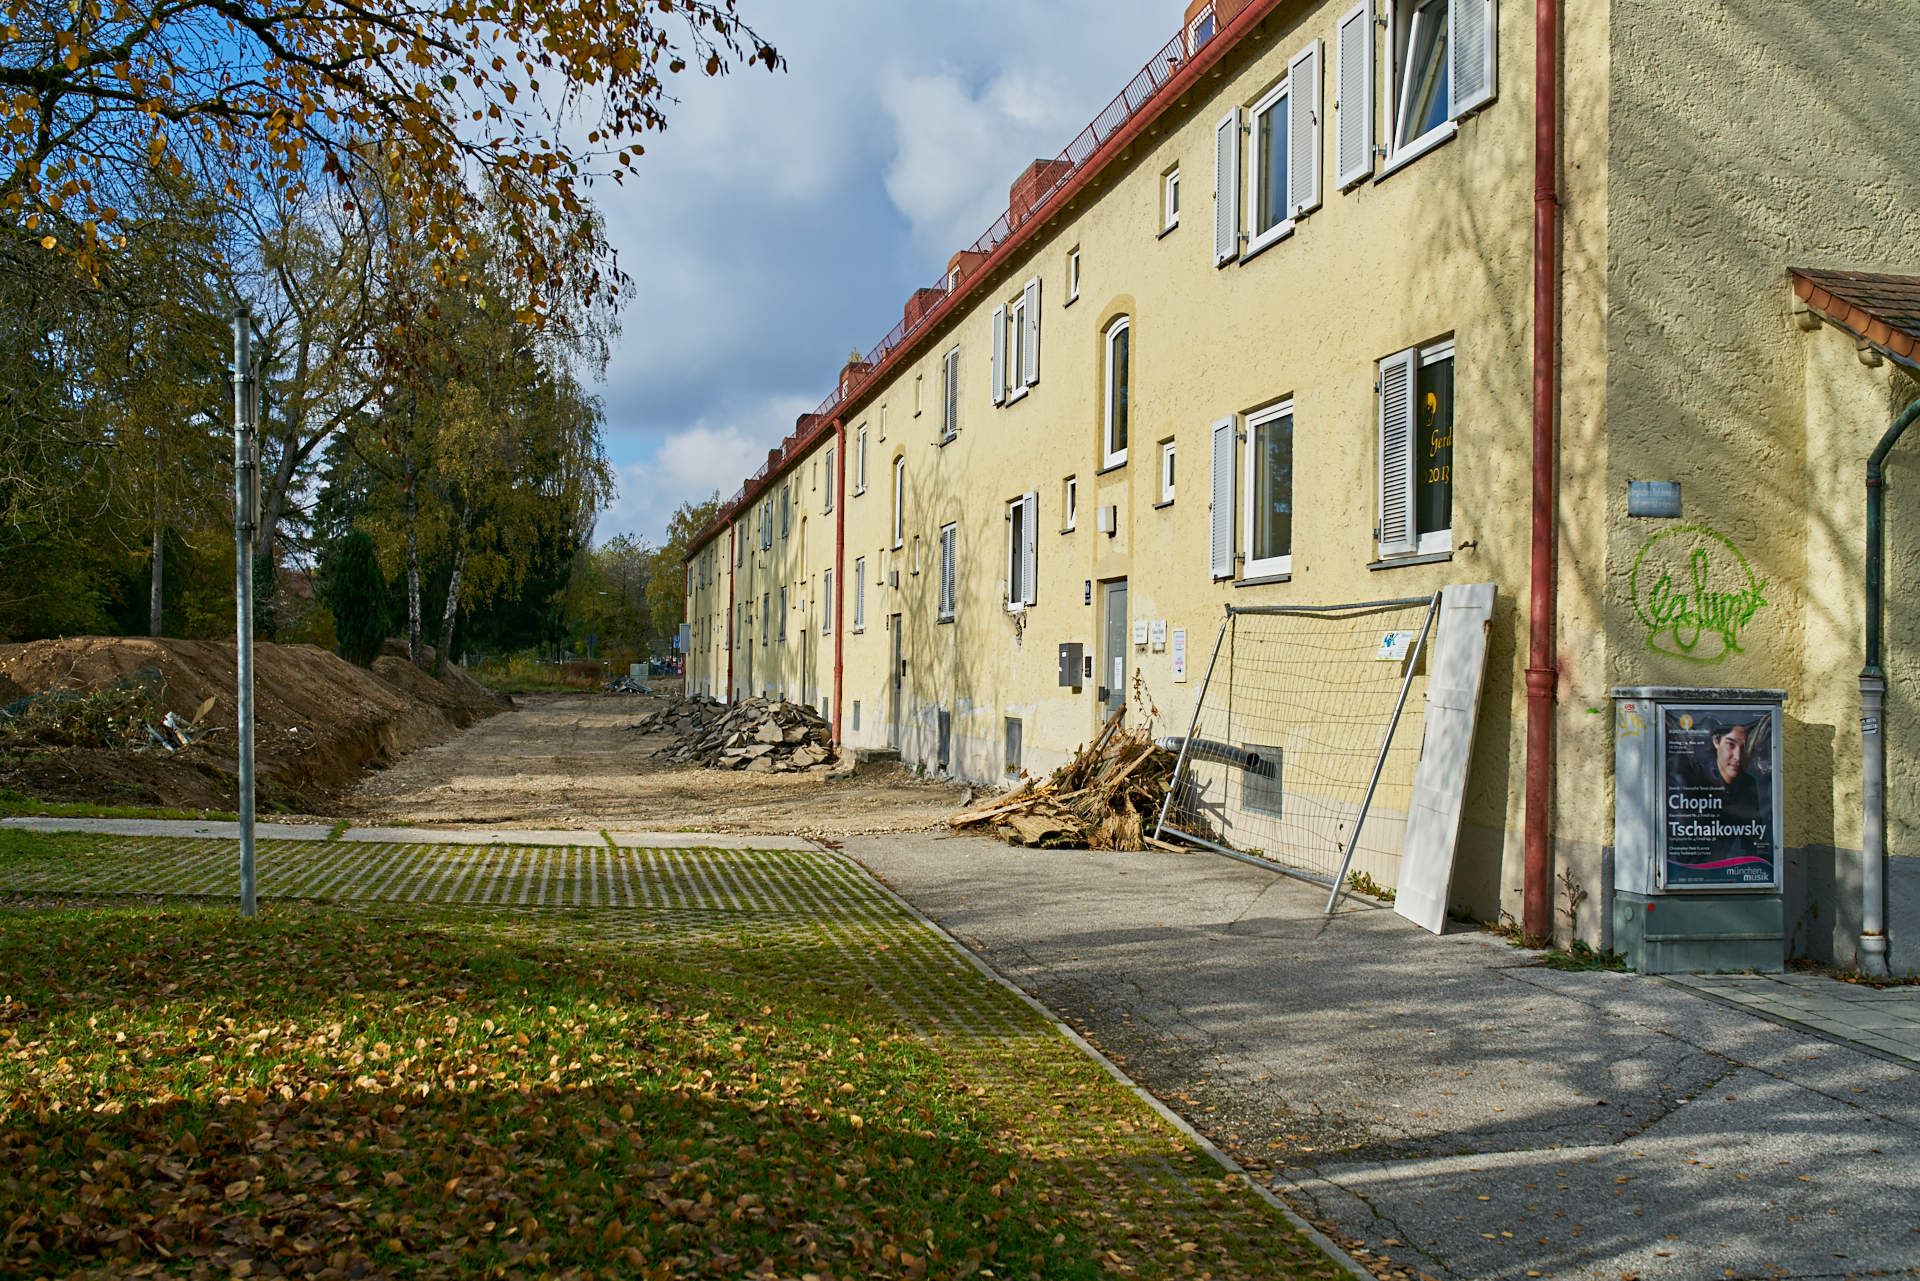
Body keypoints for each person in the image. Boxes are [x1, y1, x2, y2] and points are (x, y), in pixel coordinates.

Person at [1667, 716, 1767, 867]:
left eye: (1742, 747)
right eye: (1731, 745)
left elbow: (1755, 843)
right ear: (1716, 742)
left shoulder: (1747, 784)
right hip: (1684, 873)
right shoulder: (1687, 778)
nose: (1737, 757)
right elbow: (1684, 848)